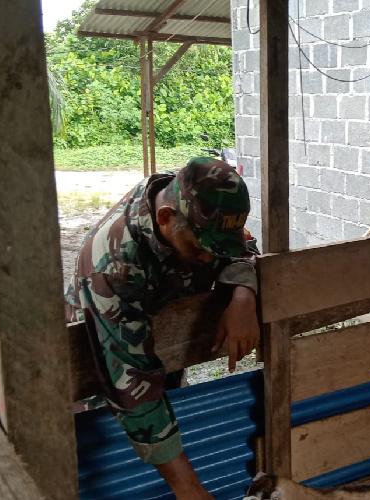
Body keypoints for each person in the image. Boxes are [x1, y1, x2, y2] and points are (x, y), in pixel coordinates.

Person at [65, 156, 260, 500]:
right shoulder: (111, 266)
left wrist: (242, 293)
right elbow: (131, 383)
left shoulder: (201, 199)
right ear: (165, 219)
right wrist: (189, 489)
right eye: (200, 250)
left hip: (158, 343)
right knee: (115, 463)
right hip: (102, 361)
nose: (208, 260)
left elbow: (240, 246)